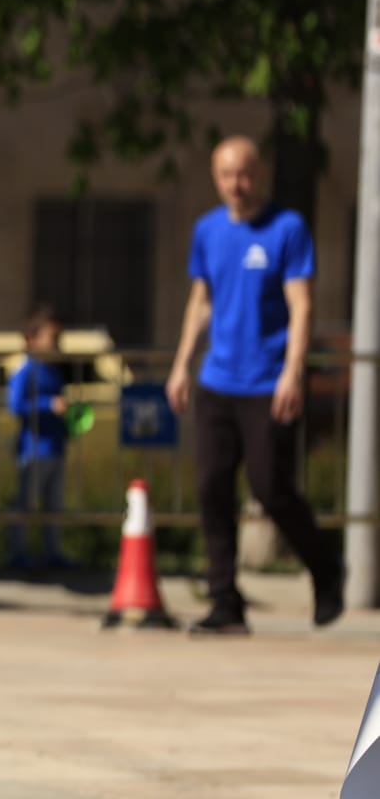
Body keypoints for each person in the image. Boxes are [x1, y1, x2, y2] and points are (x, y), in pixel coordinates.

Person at [166, 135, 345, 635]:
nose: (236, 186)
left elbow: (301, 305)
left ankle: (327, 570)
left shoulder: (286, 230)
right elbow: (200, 300)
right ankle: (225, 600)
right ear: (215, 178)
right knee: (212, 488)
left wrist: (294, 370)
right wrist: (182, 364)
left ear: (258, 174)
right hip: (217, 380)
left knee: (271, 488)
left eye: (243, 174)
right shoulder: (208, 230)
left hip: (268, 381)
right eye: (226, 176)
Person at [5, 303, 75, 570]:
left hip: (55, 447)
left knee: (54, 506)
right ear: (31, 339)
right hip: (34, 450)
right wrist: (48, 405)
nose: (57, 344)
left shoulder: (53, 371)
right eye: (52, 338)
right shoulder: (26, 371)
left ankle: (53, 551)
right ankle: (17, 553)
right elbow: (15, 405)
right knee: (25, 503)